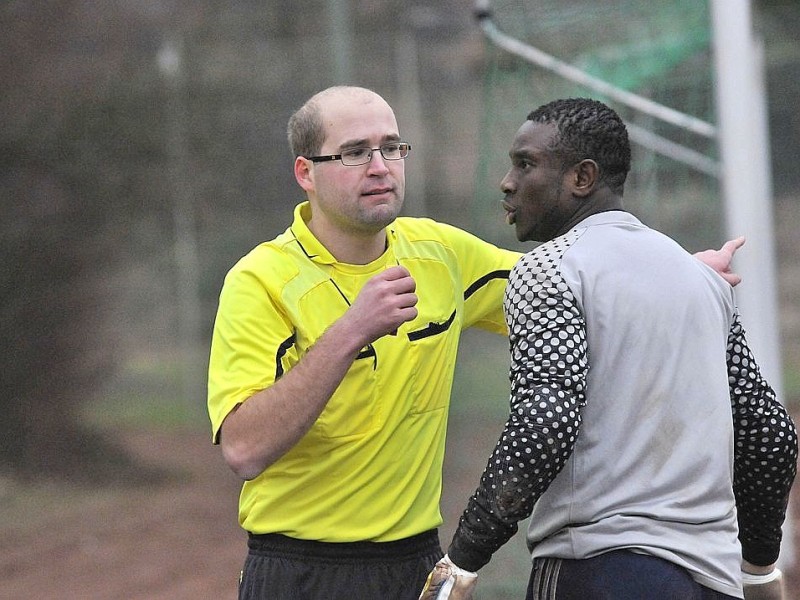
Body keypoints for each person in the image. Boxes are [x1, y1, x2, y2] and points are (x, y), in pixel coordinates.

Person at [206, 86, 746, 600]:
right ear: (306, 172)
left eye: (391, 147)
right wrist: (349, 332)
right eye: (353, 153)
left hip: (416, 564)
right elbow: (244, 449)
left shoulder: (440, 253)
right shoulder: (259, 281)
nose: (379, 166)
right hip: (300, 569)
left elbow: (583, 292)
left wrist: (680, 273)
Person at [425, 98, 798, 600]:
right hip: (715, 580)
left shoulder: (548, 268)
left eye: (526, 163)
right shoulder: (701, 281)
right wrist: (758, 570)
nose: (507, 182)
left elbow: (546, 421)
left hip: (603, 570)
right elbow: (769, 435)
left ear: (582, 178)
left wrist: (463, 560)